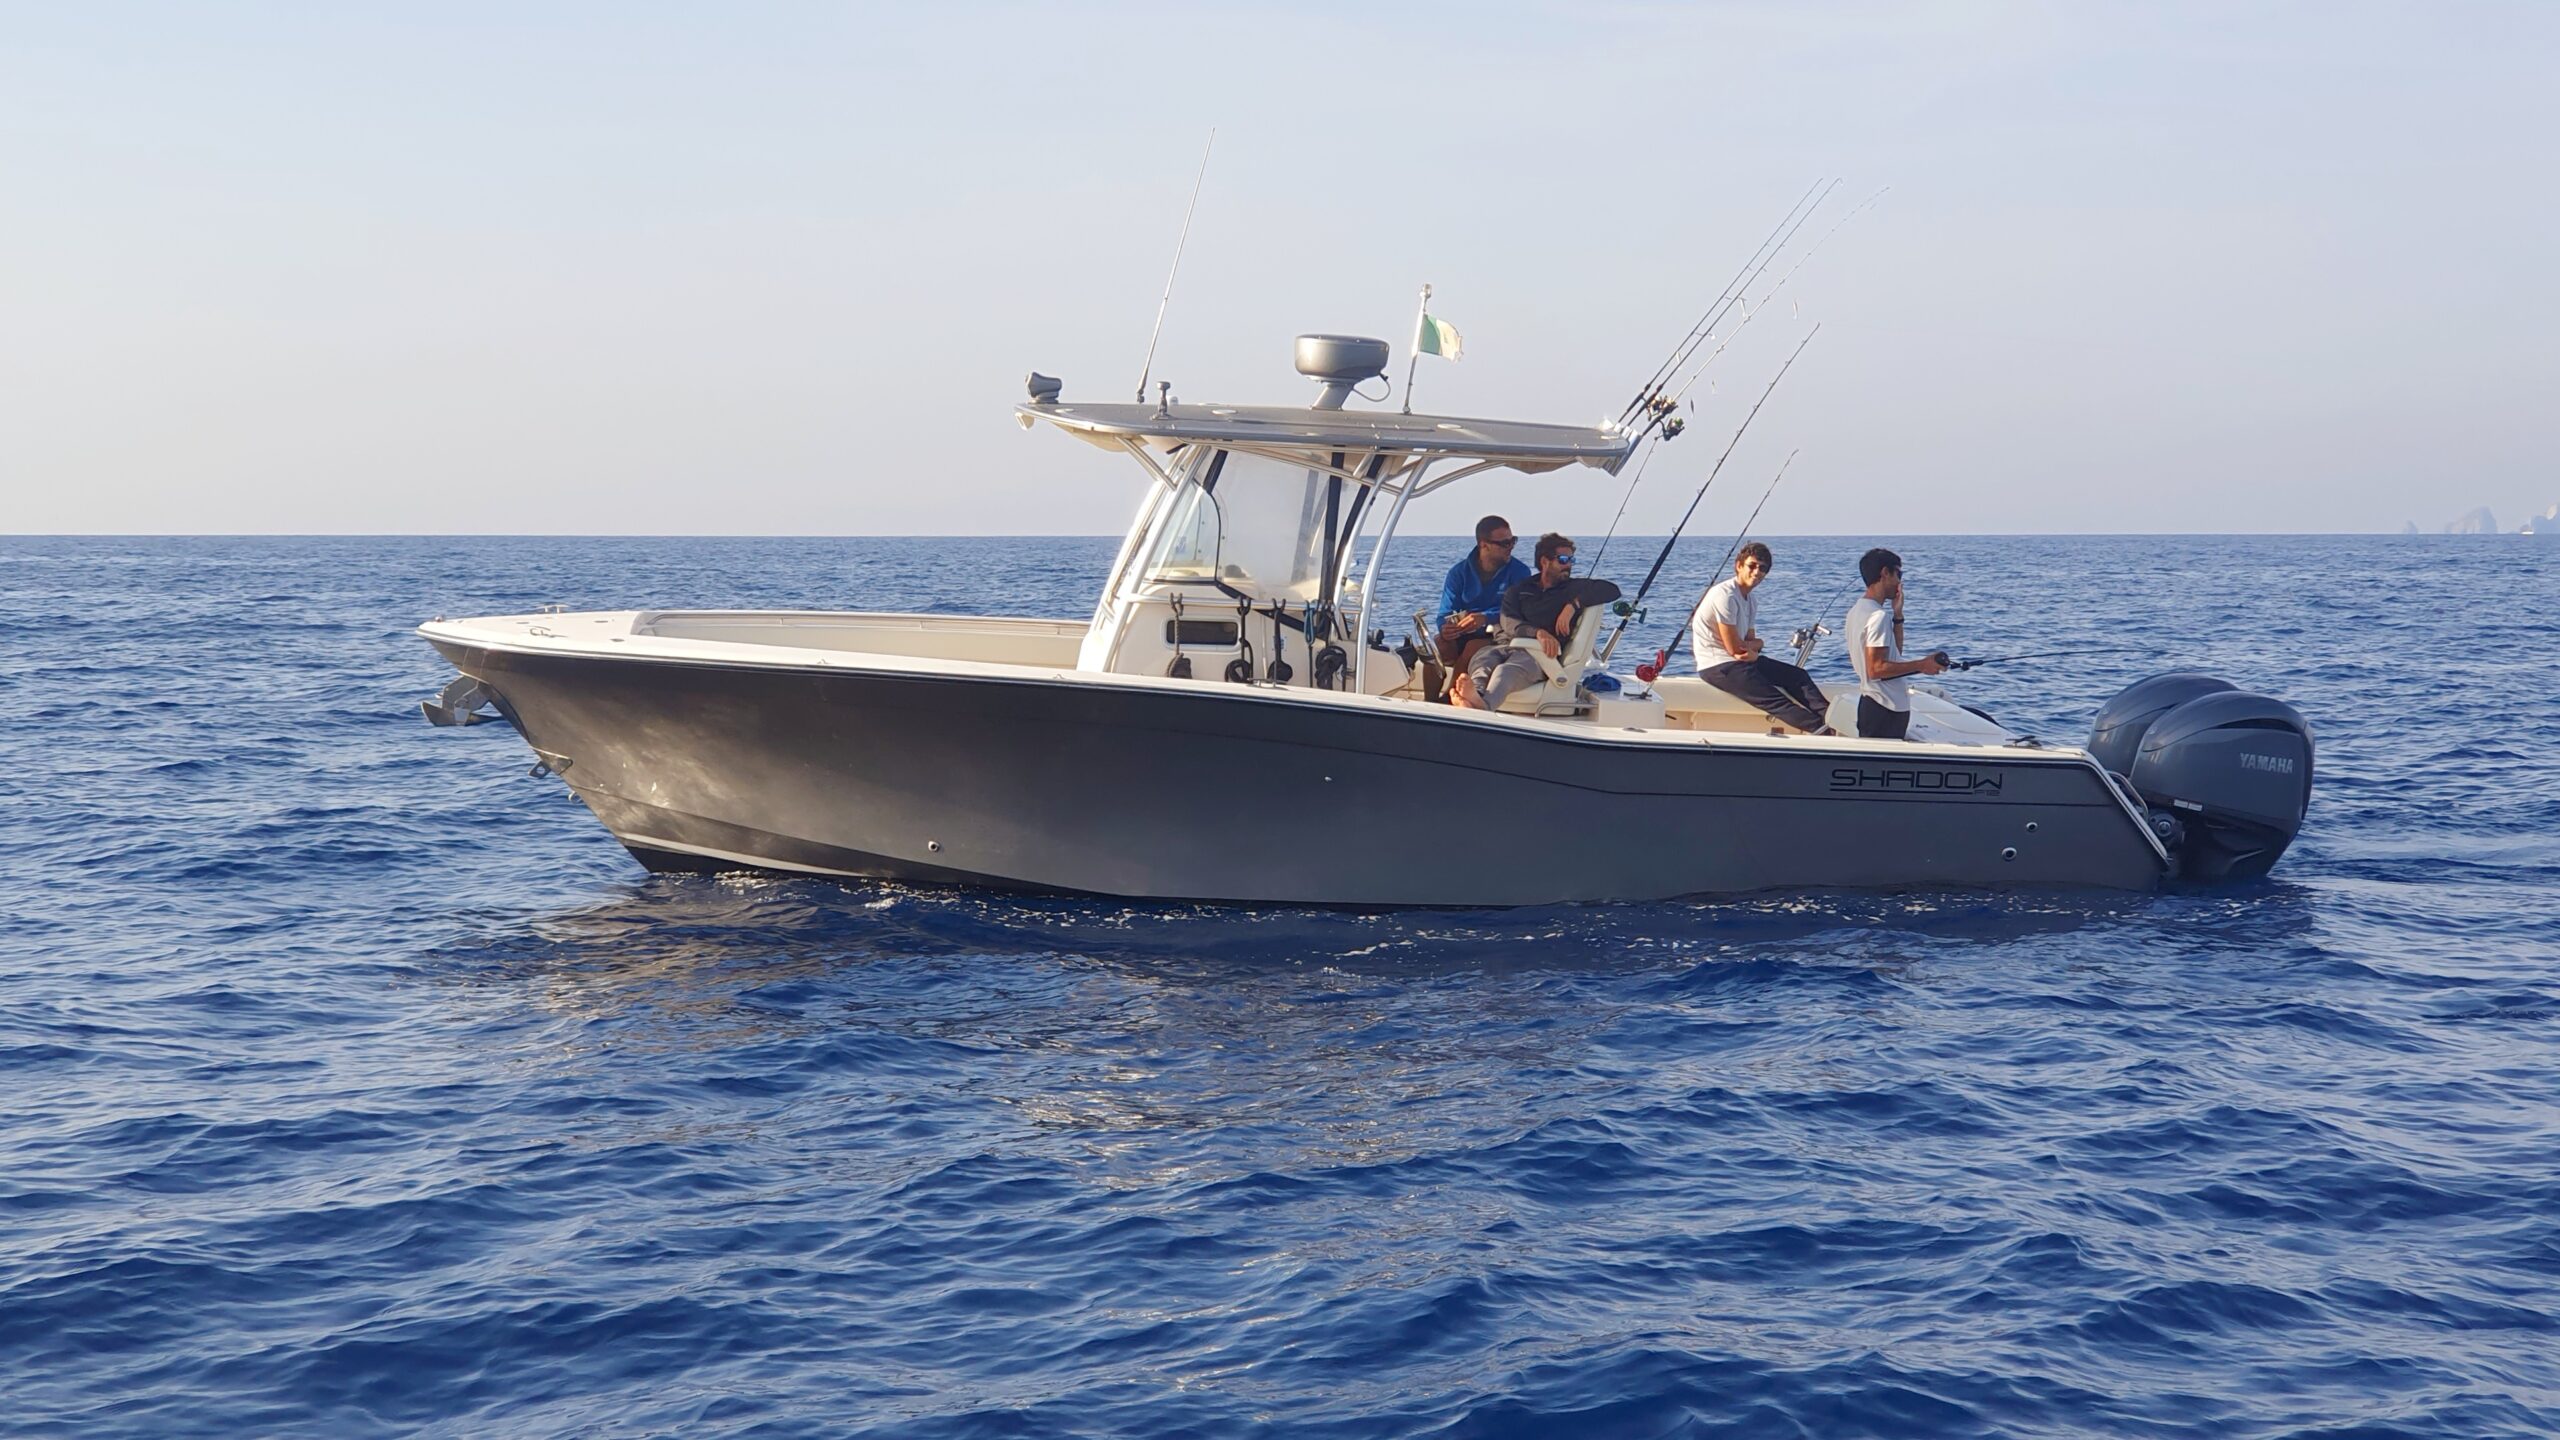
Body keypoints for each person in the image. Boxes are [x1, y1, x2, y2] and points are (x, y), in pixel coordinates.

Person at [1454, 534, 1621, 710]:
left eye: (1572, 560)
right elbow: (1509, 622)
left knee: (1506, 671)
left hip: (1538, 655)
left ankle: (1482, 706)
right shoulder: (1520, 590)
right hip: (1505, 645)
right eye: (1563, 560)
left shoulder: (1574, 588)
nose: (1569, 565)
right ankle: (1476, 695)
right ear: (1545, 561)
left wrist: (1573, 605)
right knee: (1483, 659)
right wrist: (1538, 633)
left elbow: (1612, 590)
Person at [1691, 541, 1833, 735]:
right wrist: (1755, 646)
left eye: (1763, 568)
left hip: (1742, 661)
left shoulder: (1751, 600)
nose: (1757, 572)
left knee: (1797, 676)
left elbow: (1751, 642)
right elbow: (1735, 649)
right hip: (1718, 666)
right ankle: (1825, 733)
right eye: (1752, 566)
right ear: (1739, 566)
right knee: (1778, 702)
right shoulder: (1725, 595)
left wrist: (1756, 646)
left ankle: (1835, 719)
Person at [1843, 547, 1947, 740]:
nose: (1900, 582)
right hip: (1884, 710)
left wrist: (1898, 616)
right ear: (1885, 573)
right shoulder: (1877, 616)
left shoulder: (1857, 611)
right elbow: (1876, 669)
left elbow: (1894, 655)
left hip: (1876, 707)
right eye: (1899, 574)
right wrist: (1922, 665)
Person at [1434, 515, 1531, 678]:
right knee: (1437, 646)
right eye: (1504, 543)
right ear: (1483, 545)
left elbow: (1519, 610)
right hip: (1465, 633)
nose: (1510, 547)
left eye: (1513, 541)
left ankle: (1453, 693)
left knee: (1472, 648)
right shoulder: (1458, 573)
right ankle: (1431, 694)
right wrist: (1446, 629)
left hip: (1500, 634)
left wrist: (1485, 618)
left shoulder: (1520, 572)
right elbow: (1445, 612)